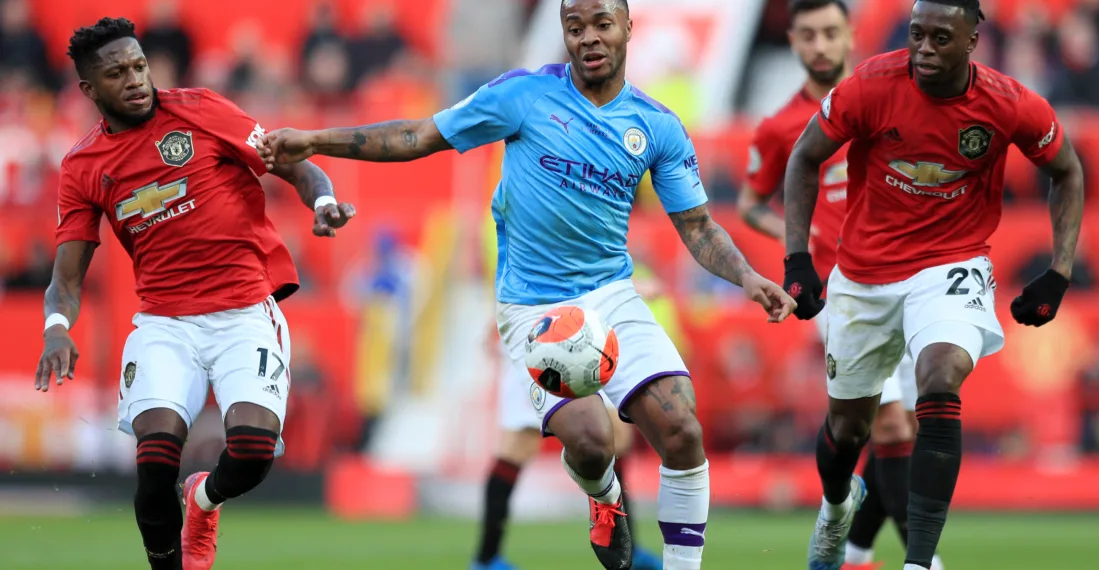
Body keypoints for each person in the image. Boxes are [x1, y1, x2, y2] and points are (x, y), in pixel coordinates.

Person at [258, 1, 798, 568]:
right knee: (592, 442)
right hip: (535, 308)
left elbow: (698, 226)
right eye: (575, 27)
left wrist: (747, 276)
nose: (589, 38)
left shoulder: (656, 125)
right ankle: (603, 495)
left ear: (628, 28)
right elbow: (418, 135)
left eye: (602, 24)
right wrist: (316, 140)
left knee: (683, 428)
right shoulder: (523, 96)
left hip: (612, 295)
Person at [33, 17, 355, 570]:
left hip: (244, 312)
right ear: (88, 88)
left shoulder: (200, 110)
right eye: (117, 73)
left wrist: (322, 202)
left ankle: (203, 499)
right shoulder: (83, 166)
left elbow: (292, 163)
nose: (136, 80)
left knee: (252, 453)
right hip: (165, 323)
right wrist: (56, 329)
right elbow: (66, 278)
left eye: (139, 66)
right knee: (154, 465)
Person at [780, 1, 1084, 569]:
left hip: (952, 263)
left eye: (940, 38)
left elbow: (1066, 169)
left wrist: (1059, 270)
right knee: (848, 429)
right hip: (865, 274)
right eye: (916, 34)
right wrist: (797, 260)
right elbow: (803, 158)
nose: (923, 48)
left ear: (972, 41)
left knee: (940, 379)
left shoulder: (1009, 103)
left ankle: (919, 561)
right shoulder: (871, 85)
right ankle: (837, 506)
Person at [737, 2, 942, 568]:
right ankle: (924, 560)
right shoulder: (781, 126)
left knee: (894, 426)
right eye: (808, 35)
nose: (820, 45)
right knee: (891, 423)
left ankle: (852, 549)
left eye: (830, 33)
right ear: (793, 41)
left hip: (907, 276)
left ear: (851, 35)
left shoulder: (884, 99)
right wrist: (798, 237)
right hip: (839, 290)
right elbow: (750, 202)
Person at [473, 214, 663, 570]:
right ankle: (486, 558)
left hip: (576, 336)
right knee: (518, 445)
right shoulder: (536, 206)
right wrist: (631, 287)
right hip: (542, 337)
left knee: (616, 435)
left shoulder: (524, 205)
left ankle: (628, 546)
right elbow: (557, 266)